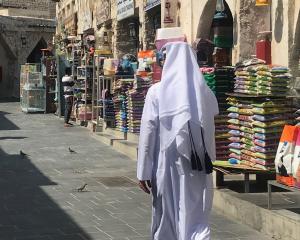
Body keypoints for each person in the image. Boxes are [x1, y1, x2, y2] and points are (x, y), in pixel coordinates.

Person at [137, 42, 219, 240]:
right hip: (198, 161)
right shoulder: (204, 91)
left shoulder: (157, 92)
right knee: (194, 211)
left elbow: (148, 133)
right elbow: (212, 122)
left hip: (167, 163)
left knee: (168, 213)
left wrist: (143, 170)